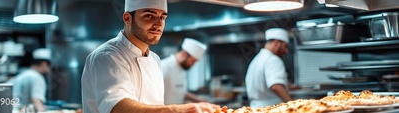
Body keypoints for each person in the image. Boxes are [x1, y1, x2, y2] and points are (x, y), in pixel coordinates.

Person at [81, 0, 218, 113]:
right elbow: (117, 107)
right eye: (149, 16)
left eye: (162, 17)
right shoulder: (107, 56)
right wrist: (176, 110)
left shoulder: (155, 60)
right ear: (128, 18)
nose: (159, 24)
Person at [245, 28, 301, 108]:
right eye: (285, 46)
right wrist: (293, 106)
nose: (286, 51)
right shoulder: (273, 59)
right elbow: (275, 86)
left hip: (255, 108)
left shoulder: (257, 59)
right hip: (271, 108)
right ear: (277, 43)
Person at [162, 38, 208, 105]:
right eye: (192, 61)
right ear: (184, 54)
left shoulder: (182, 68)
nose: (193, 64)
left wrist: (202, 102)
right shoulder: (163, 66)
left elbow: (181, 93)